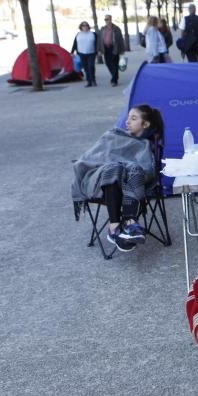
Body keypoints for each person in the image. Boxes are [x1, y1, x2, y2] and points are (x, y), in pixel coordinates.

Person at [71, 105, 165, 253]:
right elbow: (94, 155)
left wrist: (126, 166)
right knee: (114, 168)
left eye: (133, 118)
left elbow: (146, 169)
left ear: (145, 124)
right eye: (128, 118)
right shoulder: (113, 134)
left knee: (133, 168)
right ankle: (114, 227)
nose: (127, 121)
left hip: (130, 181)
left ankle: (129, 223)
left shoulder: (145, 145)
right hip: (98, 177)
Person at [99, 14, 126, 86]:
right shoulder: (102, 29)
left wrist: (122, 50)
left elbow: (120, 39)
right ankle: (115, 76)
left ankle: (114, 80)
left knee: (115, 64)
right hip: (106, 48)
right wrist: (99, 50)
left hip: (114, 48)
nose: (107, 21)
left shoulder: (116, 29)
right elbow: (100, 40)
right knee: (108, 63)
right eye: (105, 20)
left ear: (111, 19)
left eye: (108, 19)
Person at [70, 21, 99, 86]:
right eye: (83, 26)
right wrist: (72, 52)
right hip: (81, 53)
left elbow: (97, 43)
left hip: (91, 53)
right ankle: (89, 81)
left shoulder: (93, 34)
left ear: (88, 27)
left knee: (91, 66)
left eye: (86, 26)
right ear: (81, 27)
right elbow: (75, 44)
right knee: (86, 68)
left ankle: (93, 80)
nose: (85, 27)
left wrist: (98, 51)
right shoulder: (78, 34)